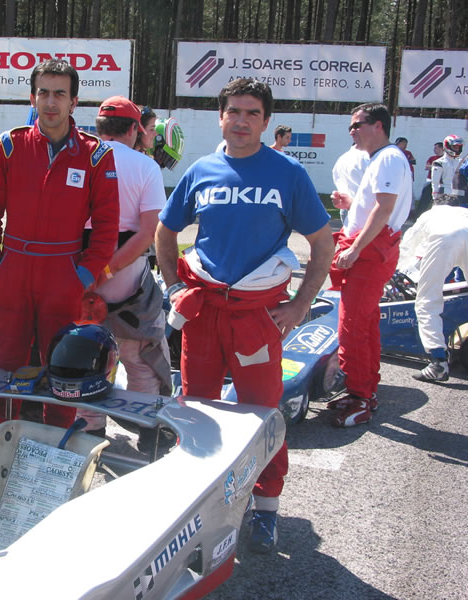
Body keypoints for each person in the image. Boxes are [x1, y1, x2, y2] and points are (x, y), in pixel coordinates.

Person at [155, 78, 334, 554]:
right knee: (196, 410)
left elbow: (322, 244)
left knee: (261, 413)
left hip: (257, 318)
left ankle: (267, 507)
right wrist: (174, 288)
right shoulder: (201, 170)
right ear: (220, 117)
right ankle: (195, 499)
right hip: (205, 315)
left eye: (251, 113)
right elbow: (164, 232)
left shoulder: (288, 174)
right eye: (233, 111)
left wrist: (299, 305)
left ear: (265, 121)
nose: (240, 120)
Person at [0, 59, 119, 428]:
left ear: (74, 102)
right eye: (44, 93)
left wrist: (83, 274)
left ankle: (55, 446)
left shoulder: (95, 154)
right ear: (32, 97)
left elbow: (107, 225)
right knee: (8, 361)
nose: (50, 102)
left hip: (64, 274)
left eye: (60, 94)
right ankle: (0, 435)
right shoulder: (7, 146)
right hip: (14, 270)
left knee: (65, 364)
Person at [74, 95, 172, 447]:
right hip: (126, 272)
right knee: (139, 357)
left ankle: (89, 431)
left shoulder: (81, 157)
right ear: (133, 129)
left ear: (100, 128)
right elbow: (149, 232)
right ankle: (146, 432)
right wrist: (107, 269)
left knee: (84, 355)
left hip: (79, 270)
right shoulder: (146, 167)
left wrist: (91, 272)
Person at [328, 104, 413, 427]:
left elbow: (384, 209)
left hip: (369, 253)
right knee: (364, 323)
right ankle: (363, 391)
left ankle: (361, 397)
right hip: (371, 249)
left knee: (353, 327)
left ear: (378, 125)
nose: (352, 132)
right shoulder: (382, 158)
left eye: (357, 125)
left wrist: (355, 249)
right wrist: (351, 204)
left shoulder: (388, 157)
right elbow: (374, 206)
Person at [398, 196, 468, 382]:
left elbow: (408, 246)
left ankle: (438, 363)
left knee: (427, 301)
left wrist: (399, 272)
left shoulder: (431, 214)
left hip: (445, 239)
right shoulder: (464, 212)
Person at [332, 144, 370, 227]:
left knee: (349, 235)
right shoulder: (367, 158)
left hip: (346, 206)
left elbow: (336, 178)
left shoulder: (342, 158)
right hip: (362, 209)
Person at [431, 135, 464, 204]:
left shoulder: (462, 162)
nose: (457, 149)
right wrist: (435, 197)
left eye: (458, 147)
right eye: (455, 147)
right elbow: (435, 182)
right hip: (445, 195)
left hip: (460, 195)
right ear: (447, 146)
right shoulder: (439, 162)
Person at [415, 142, 444, 218]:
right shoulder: (432, 158)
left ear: (442, 148)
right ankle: (418, 216)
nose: (434, 149)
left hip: (441, 183)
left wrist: (436, 168)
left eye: (436, 148)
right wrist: (438, 168)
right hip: (430, 181)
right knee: (424, 200)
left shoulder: (444, 159)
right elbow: (427, 167)